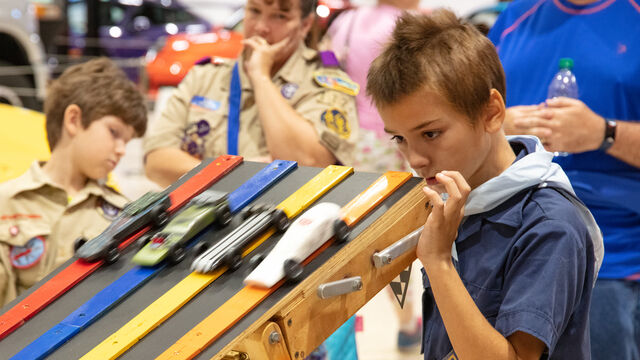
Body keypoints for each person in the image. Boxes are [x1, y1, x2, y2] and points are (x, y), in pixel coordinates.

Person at [367, 10, 603, 359]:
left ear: (492, 112)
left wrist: (438, 261)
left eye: (430, 133)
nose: (414, 158)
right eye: (399, 138)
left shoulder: (550, 224)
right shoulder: (458, 197)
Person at [488, 1, 640, 358]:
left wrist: (605, 133)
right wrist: (498, 125)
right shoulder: (513, 18)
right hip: (507, 244)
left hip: (610, 256)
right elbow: (464, 119)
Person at [143, 0, 360, 187]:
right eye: (254, 11)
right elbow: (156, 162)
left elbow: (308, 163)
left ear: (305, 25)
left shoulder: (325, 83)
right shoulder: (205, 76)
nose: (261, 27)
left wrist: (260, 76)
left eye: (280, 16)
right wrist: (242, 173)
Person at [0, 58, 147, 306]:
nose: (122, 149)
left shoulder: (125, 215)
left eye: (128, 141)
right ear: (73, 120)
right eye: (114, 132)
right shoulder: (7, 203)